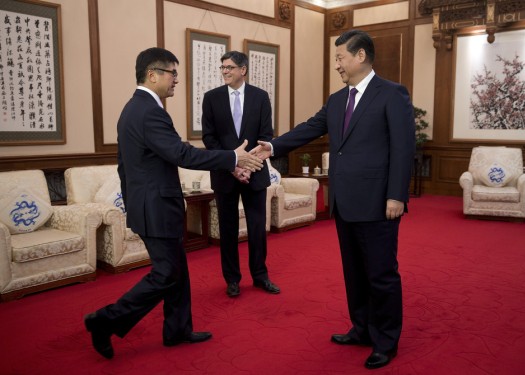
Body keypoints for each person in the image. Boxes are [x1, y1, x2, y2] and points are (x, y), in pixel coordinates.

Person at [84, 47, 263, 359]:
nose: (176, 80)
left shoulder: (135, 108)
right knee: (166, 273)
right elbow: (181, 154)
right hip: (156, 206)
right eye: (172, 73)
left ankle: (177, 329)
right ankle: (106, 320)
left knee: (177, 270)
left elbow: (125, 166)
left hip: (150, 204)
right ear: (153, 75)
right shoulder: (148, 111)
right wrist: (233, 156)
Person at [251, 30, 415, 369]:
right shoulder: (338, 99)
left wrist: (396, 195)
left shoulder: (392, 94)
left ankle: (386, 340)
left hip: (378, 201)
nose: (336, 64)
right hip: (344, 201)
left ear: (360, 57)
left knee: (381, 274)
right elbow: (310, 127)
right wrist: (271, 146)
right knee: (354, 271)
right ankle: (361, 329)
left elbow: (403, 148)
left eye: (340, 57)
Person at [202, 51, 280, 297]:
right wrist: (233, 165)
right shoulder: (211, 98)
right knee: (228, 229)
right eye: (222, 67)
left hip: (255, 172)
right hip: (225, 174)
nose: (225, 71)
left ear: (243, 70)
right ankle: (232, 279)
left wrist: (248, 165)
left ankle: (260, 276)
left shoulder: (260, 97)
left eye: (230, 67)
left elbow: (266, 135)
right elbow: (209, 138)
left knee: (257, 228)